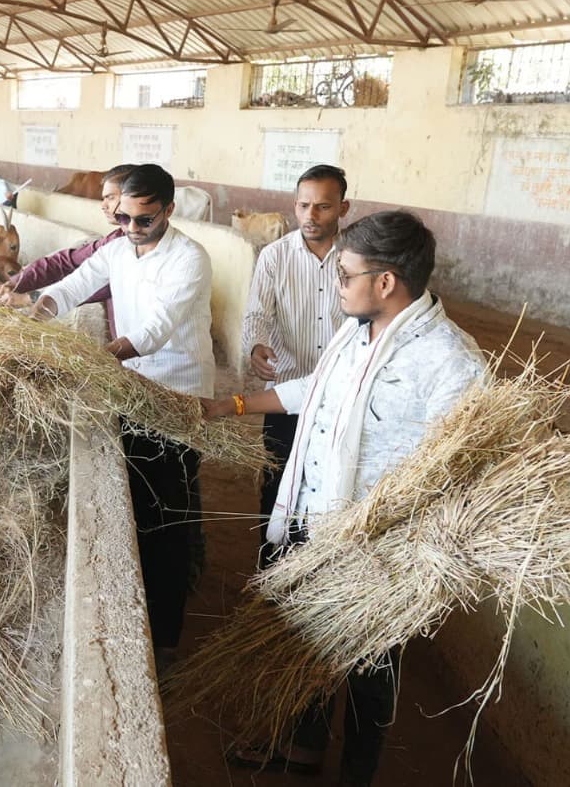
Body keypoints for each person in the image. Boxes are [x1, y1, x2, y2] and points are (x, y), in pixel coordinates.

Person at [205, 210, 485, 787]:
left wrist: (396, 540)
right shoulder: (358, 332)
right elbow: (317, 388)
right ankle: (304, 749)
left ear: (385, 282)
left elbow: (459, 472)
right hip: (315, 520)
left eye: (345, 275)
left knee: (370, 670)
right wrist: (232, 406)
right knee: (306, 643)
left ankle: (357, 775)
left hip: (377, 550)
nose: (336, 285)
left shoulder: (450, 363)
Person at [31, 164, 213, 666]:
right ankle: (140, 614)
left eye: (144, 220)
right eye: (124, 218)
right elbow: (72, 286)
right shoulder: (117, 250)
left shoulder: (190, 259)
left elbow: (156, 328)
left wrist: (100, 358)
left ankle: (166, 637)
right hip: (131, 390)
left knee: (168, 518)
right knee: (139, 505)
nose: (131, 228)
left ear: (169, 210)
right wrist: (33, 318)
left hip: (177, 396)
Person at [241, 163, 350, 568]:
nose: (311, 215)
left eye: (323, 207)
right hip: (286, 394)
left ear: (343, 208)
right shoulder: (275, 256)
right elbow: (257, 314)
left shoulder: (357, 258)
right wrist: (256, 346)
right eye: (304, 205)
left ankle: (314, 571)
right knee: (278, 481)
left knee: (330, 484)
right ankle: (270, 570)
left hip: (340, 396)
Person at [0, 163, 136, 338]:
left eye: (111, 198)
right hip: (125, 346)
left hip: (142, 348)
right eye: (104, 198)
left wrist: (29, 297)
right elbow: (65, 261)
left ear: (132, 197)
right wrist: (17, 282)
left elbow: (91, 286)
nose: (103, 205)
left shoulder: (140, 246)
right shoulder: (115, 239)